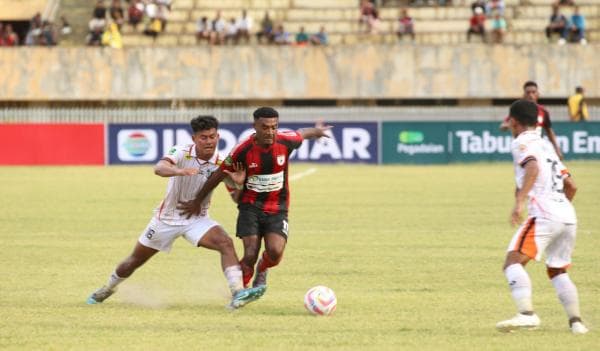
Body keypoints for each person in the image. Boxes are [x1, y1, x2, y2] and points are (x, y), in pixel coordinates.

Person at [87, 116, 265, 309]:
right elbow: (159, 168)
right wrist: (179, 171)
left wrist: (241, 182)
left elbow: (236, 198)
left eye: (212, 137)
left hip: (197, 219)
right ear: (194, 138)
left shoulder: (223, 162)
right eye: (203, 137)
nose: (209, 141)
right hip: (166, 220)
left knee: (225, 243)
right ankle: (107, 288)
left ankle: (238, 292)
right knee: (133, 261)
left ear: (218, 136)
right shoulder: (181, 152)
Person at [179, 107, 331, 295]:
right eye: (265, 127)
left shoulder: (285, 141)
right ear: (255, 127)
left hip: (278, 208)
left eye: (274, 127)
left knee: (275, 252)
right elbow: (218, 175)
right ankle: (239, 294)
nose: (270, 132)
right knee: (249, 254)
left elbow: (301, 134)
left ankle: (263, 268)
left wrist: (318, 131)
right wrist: (196, 201)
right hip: (250, 207)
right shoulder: (242, 150)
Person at [495, 99, 588, 335]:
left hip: (545, 213)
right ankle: (576, 323)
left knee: (512, 262)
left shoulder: (521, 142)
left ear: (513, 121)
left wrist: (519, 202)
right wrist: (560, 209)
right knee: (557, 270)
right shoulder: (546, 145)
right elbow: (572, 185)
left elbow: (532, 168)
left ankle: (527, 315)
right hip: (568, 215)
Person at [500, 81, 563, 160]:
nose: (531, 95)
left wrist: (557, 149)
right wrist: (509, 125)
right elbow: (503, 126)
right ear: (524, 95)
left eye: (533, 92)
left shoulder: (543, 111)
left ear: (538, 94)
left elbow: (549, 131)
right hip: (522, 147)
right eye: (528, 92)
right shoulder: (518, 110)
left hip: (537, 147)